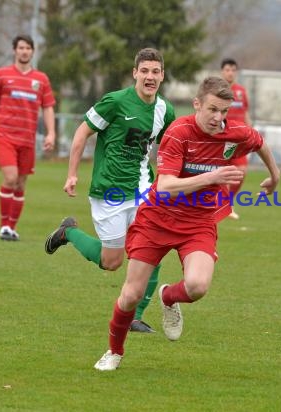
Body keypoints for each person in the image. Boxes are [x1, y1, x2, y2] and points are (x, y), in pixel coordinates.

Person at [94, 76, 281, 371]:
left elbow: (259, 142)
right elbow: (166, 185)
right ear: (197, 104)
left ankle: (168, 296)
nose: (218, 118)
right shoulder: (179, 132)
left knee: (197, 286)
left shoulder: (234, 133)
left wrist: (275, 176)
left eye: (224, 112)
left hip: (198, 222)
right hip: (157, 219)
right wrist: (213, 177)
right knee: (131, 295)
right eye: (212, 110)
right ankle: (114, 352)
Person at [44, 48, 175, 333]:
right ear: (135, 73)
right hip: (109, 191)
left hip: (142, 188)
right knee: (111, 261)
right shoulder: (115, 102)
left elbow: (170, 149)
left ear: (162, 75)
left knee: (151, 248)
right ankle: (68, 233)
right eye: (145, 71)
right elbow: (82, 133)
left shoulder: (166, 110)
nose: (150, 77)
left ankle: (135, 316)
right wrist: (72, 174)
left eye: (155, 71)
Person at [0, 34, 56, 241]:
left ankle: (11, 228)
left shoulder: (41, 79)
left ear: (32, 51)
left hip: (27, 140)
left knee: (20, 184)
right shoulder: (1, 75)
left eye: (28, 48)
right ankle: (3, 226)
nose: (24, 51)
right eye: (21, 47)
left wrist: (51, 132)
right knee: (10, 178)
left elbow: (47, 108)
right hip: (4, 136)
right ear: (14, 50)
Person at [220, 58, 252, 219]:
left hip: (238, 139)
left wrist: (250, 132)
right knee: (220, 173)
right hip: (221, 139)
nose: (230, 73)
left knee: (242, 171)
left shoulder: (241, 91)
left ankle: (228, 203)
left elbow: (245, 113)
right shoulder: (217, 90)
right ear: (222, 71)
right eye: (227, 70)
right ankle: (218, 205)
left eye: (233, 70)